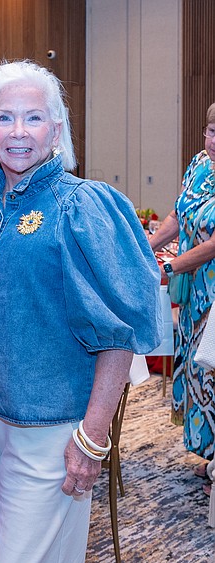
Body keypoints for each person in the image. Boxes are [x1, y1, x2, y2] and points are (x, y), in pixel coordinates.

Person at [0, 60, 161, 563]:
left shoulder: (82, 205)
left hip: (48, 425)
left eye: (33, 118)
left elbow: (119, 332)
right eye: (5, 118)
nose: (18, 132)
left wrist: (93, 436)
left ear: (57, 129)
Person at [149, 101, 215, 491]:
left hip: (213, 291)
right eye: (211, 131)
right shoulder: (200, 165)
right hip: (194, 293)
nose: (214, 141)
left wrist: (170, 267)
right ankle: (209, 456)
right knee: (194, 368)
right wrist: (149, 245)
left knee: (212, 372)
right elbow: (177, 214)